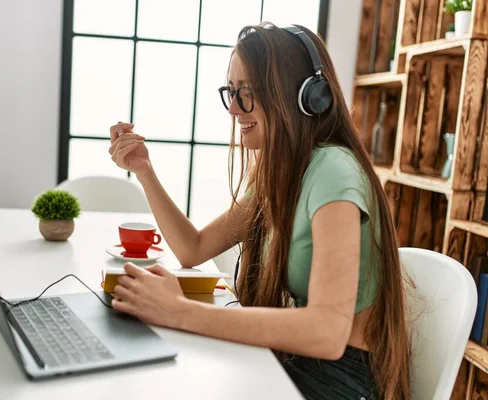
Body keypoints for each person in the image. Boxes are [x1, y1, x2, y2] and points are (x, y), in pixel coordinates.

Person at [107, 22, 411, 400]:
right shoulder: (277, 172)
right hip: (300, 362)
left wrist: (179, 311)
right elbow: (194, 247)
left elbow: (328, 333)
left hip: (341, 382)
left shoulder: (334, 171)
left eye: (247, 93)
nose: (234, 108)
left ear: (303, 96)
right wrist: (144, 171)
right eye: (231, 92)